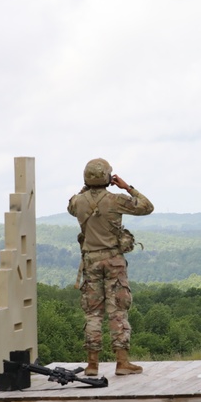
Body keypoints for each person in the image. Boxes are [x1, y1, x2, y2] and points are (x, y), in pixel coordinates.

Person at [68, 158, 154, 376]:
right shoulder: (115, 200)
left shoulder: (78, 202)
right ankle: (122, 362)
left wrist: (87, 187)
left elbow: (71, 206)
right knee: (117, 311)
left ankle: (92, 365)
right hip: (114, 261)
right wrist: (127, 187)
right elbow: (147, 207)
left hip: (91, 262)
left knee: (93, 313)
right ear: (107, 177)